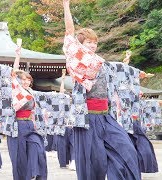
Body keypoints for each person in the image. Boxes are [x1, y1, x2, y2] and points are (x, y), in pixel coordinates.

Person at [62, 0, 141, 179]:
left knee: (126, 149)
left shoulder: (101, 62)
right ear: (80, 44)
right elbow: (69, 32)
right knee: (93, 163)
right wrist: (66, 6)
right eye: (89, 42)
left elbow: (120, 69)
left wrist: (138, 74)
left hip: (105, 116)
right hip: (87, 117)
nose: (92, 45)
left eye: (95, 42)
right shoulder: (77, 57)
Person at [7, 39, 48, 180]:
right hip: (17, 125)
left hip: (30, 125)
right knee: (19, 158)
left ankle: (36, 175)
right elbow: (13, 74)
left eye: (28, 79)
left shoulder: (31, 92)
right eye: (23, 79)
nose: (25, 81)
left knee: (38, 149)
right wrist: (17, 55)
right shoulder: (15, 89)